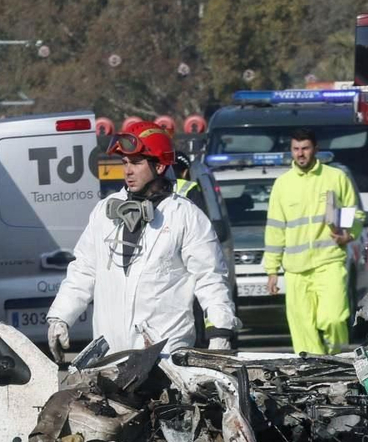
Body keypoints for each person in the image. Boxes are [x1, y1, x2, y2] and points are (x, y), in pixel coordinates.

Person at [45, 121, 236, 359]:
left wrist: (220, 331)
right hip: (110, 355)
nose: (127, 171)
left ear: (159, 166)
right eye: (124, 163)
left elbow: (210, 278)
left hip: (165, 357)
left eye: (136, 163)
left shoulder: (185, 215)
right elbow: (83, 270)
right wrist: (60, 317)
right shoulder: (105, 212)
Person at [263, 128, 365, 354]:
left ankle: (339, 359)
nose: (300, 154)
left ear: (315, 150)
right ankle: (312, 374)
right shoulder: (283, 184)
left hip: (329, 262)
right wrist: (272, 270)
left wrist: (348, 235)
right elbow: (275, 229)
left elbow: (354, 214)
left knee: (334, 318)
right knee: (303, 330)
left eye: (305, 148)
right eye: (296, 149)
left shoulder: (335, 178)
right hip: (296, 270)